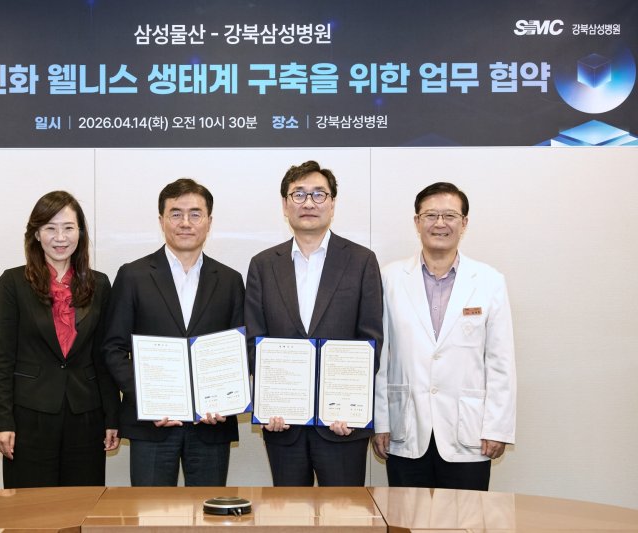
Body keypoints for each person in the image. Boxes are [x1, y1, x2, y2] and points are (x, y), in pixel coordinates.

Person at [244, 160, 383, 486]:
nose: (308, 203)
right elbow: (254, 340)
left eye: (319, 194)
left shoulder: (362, 261)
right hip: (283, 423)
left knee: (344, 511)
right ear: (285, 205)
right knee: (289, 511)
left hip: (343, 424)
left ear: (332, 204)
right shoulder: (263, 264)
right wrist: (270, 399)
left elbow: (371, 340)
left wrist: (350, 404)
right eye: (299, 194)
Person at [373, 182, 516, 491]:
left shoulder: (489, 281)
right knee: (406, 514)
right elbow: (380, 358)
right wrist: (380, 422)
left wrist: (497, 427)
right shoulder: (389, 278)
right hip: (405, 426)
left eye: (450, 215)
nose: (440, 223)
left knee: (466, 515)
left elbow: (500, 361)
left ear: (464, 223)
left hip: (469, 432)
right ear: (417, 222)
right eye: (430, 215)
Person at [102, 178, 245, 487]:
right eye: (176, 214)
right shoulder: (133, 275)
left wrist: (226, 401)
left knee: (209, 510)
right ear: (161, 221)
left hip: (211, 425)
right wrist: (149, 399)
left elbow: (240, 350)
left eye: (195, 214)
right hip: (151, 426)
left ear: (209, 222)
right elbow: (113, 348)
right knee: (151, 512)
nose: (185, 223)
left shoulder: (230, 280)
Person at [0, 191, 120, 488]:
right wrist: (2, 421)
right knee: (30, 507)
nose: (60, 237)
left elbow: (104, 357)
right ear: (36, 234)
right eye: (50, 228)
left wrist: (112, 417)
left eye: (68, 228)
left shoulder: (99, 284)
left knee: (83, 504)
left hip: (86, 415)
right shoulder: (13, 283)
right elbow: (3, 358)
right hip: (29, 415)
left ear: (80, 233)